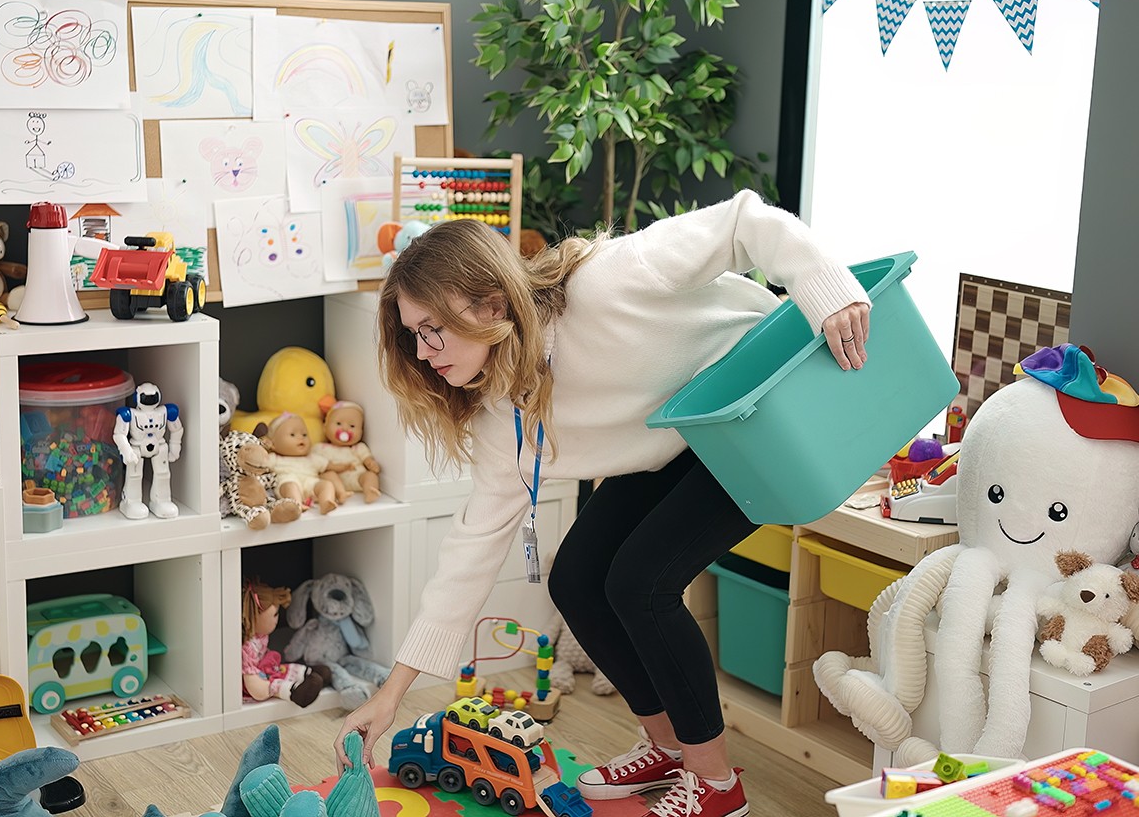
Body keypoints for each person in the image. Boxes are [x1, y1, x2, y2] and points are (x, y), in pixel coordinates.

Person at [334, 191, 871, 817]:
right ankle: (669, 747)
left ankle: (718, 786)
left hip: (759, 408)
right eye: (413, 336)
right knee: (578, 578)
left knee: (642, 582)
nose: (424, 353)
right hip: (679, 436)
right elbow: (469, 555)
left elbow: (743, 221)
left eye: (433, 330)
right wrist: (392, 694)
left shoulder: (607, 281)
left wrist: (827, 285)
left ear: (491, 302)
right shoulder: (499, 416)